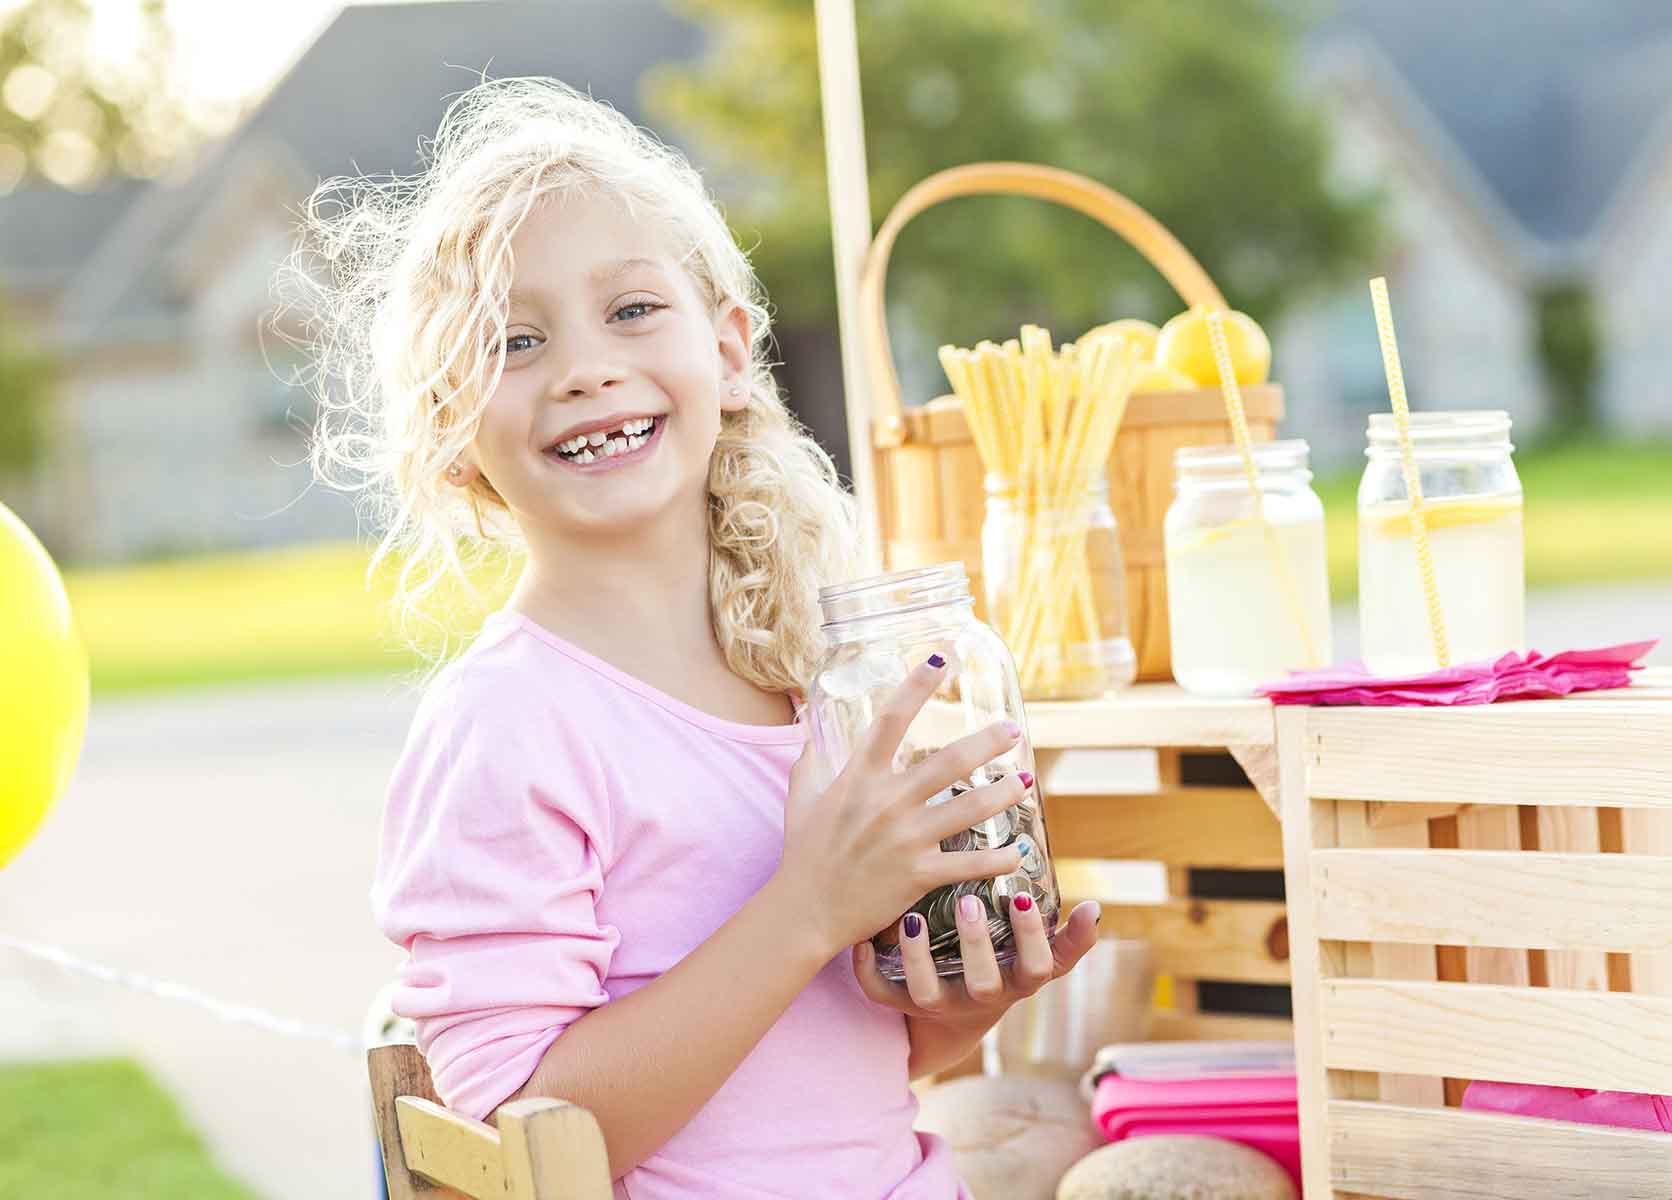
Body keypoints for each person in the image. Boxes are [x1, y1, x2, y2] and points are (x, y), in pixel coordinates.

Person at [284, 76, 1102, 1199]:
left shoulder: (808, 679)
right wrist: (807, 909)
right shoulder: (508, 723)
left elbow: (821, 1075)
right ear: (451, 428)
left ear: (727, 351)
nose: (583, 367)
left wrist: (956, 1002)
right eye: (513, 342)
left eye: (630, 311)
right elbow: (524, 1138)